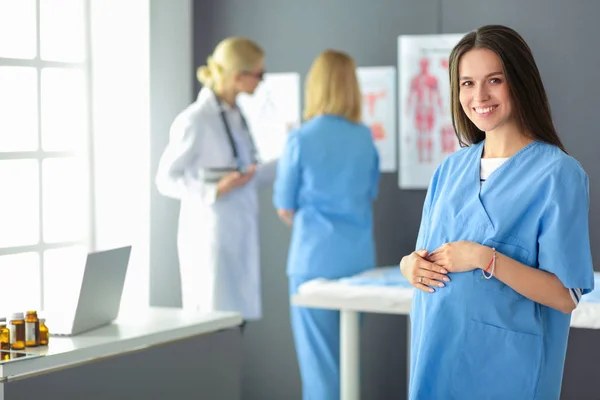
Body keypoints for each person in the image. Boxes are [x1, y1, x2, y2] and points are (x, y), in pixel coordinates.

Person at [400, 25, 594, 400]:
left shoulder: (558, 174)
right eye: (467, 84)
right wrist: (411, 265)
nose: (479, 96)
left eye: (494, 80)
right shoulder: (449, 170)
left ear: (519, 82)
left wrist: (482, 258)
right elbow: (426, 257)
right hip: (437, 354)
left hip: (508, 369)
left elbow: (565, 295)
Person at [273, 49, 380, 400]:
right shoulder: (365, 138)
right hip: (357, 262)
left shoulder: (300, 139)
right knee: (348, 363)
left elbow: (284, 206)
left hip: (313, 261)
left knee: (321, 369)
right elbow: (368, 194)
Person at [155, 37, 276, 323]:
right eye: (258, 75)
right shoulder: (196, 119)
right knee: (212, 324)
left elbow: (243, 168)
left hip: (238, 232)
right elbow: (165, 179)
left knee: (234, 323)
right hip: (210, 237)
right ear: (237, 77)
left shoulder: (235, 114)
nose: (261, 82)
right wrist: (213, 189)